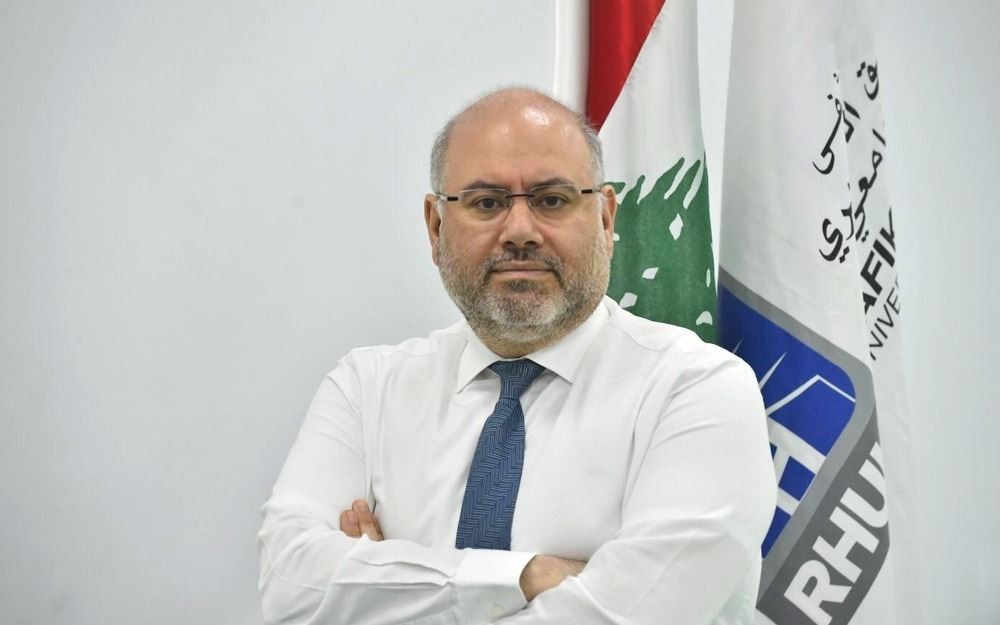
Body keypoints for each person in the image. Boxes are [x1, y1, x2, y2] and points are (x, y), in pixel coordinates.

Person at [257, 87, 776, 625]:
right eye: (487, 202)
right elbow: (289, 589)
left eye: (552, 200)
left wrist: (382, 586)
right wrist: (525, 577)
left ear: (605, 218)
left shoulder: (697, 390)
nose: (521, 231)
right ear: (436, 227)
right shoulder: (367, 389)